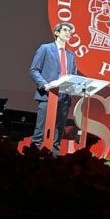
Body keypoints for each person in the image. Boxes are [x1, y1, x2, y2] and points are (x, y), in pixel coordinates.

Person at [29, 22, 77, 153]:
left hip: (64, 98)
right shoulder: (45, 48)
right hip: (47, 95)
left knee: (57, 135)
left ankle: (54, 163)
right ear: (56, 33)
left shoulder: (71, 55)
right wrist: (45, 85)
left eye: (70, 32)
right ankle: (32, 161)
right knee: (40, 132)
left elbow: (73, 76)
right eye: (65, 30)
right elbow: (34, 70)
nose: (68, 33)